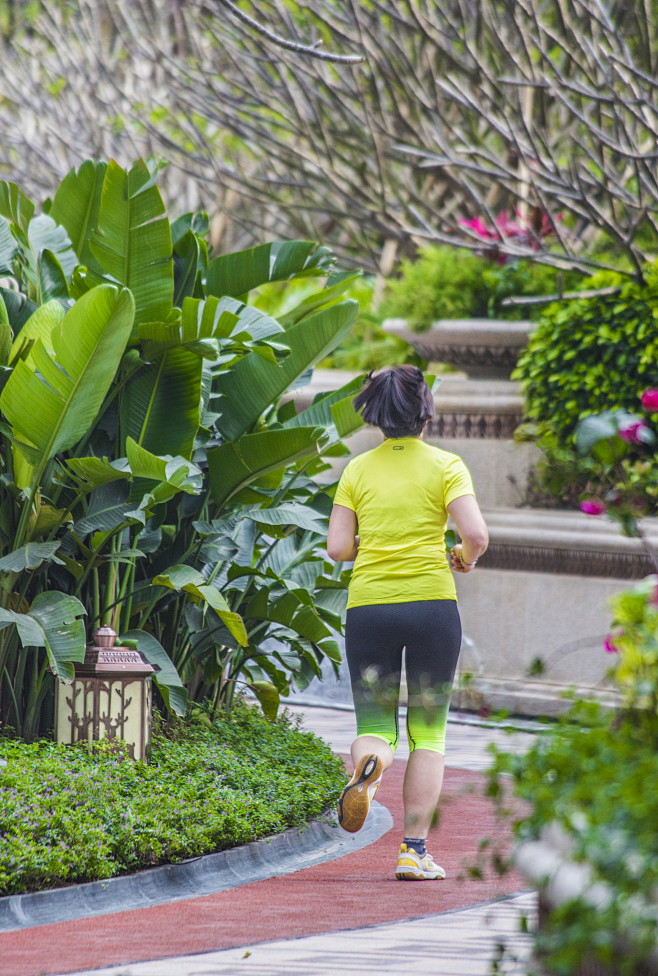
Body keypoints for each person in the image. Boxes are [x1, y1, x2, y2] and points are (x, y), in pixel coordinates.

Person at [327, 365, 488, 881]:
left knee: (375, 726)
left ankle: (368, 771)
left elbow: (337, 550)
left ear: (373, 413)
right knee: (428, 734)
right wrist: (460, 556)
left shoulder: (357, 470)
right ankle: (413, 852)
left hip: (369, 607)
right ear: (424, 409)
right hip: (431, 609)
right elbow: (476, 536)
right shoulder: (446, 466)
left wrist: (371, 545)